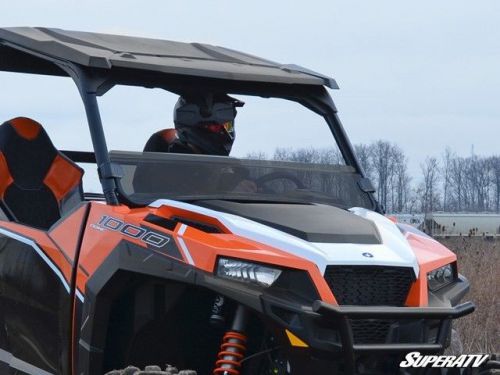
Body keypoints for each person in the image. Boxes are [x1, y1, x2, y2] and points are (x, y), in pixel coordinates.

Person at [143, 94, 243, 156]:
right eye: (216, 127)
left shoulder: (232, 169)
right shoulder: (172, 161)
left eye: (228, 124)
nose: (224, 129)